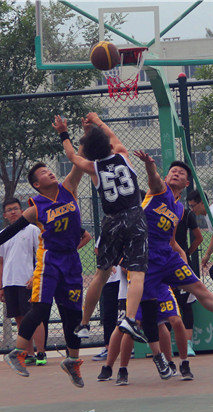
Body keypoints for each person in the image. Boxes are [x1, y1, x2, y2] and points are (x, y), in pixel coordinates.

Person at [0, 116, 87, 387]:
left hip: (72, 261)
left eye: (50, 170)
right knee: (40, 308)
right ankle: (17, 352)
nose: (49, 172)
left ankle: (73, 362)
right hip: (50, 261)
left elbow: (79, 160)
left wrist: (70, 135)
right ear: (36, 184)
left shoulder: (69, 188)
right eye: (43, 173)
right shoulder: (36, 207)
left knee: (73, 315)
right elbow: (12, 230)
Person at [133, 152, 213, 378]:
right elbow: (153, 178)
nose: (176, 173)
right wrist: (149, 165)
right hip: (146, 258)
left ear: (187, 183)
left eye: (181, 173)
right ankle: (158, 358)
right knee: (151, 317)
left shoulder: (179, 209)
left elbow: (172, 240)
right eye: (173, 171)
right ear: (166, 176)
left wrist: (183, 259)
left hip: (167, 256)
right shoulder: (159, 190)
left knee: (199, 288)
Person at [65, 112, 149, 344]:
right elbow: (112, 137)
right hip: (135, 216)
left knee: (101, 274)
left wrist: (63, 133)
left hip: (112, 221)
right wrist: (97, 121)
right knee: (137, 272)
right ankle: (129, 319)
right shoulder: (122, 155)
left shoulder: (92, 168)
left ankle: (84, 324)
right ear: (110, 145)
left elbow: (72, 155)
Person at [0, 198, 46, 366]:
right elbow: (0, 262)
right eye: (9, 210)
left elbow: (40, 256)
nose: (13, 212)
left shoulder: (32, 230)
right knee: (19, 319)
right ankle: (28, 353)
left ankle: (41, 353)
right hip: (10, 282)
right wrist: (0, 287)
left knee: (34, 317)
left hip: (28, 282)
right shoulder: (3, 234)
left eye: (16, 209)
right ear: (4, 215)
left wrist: (34, 277)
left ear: (22, 211)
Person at [172, 207, 203, 357]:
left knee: (185, 305)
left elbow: (199, 237)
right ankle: (165, 346)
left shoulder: (185, 212)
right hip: (165, 263)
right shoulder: (153, 210)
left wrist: (187, 252)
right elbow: (199, 238)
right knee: (170, 305)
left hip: (180, 263)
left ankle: (188, 344)